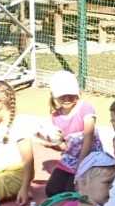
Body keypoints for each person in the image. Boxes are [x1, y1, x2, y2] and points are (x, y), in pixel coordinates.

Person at [34, 70, 102, 198]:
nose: (67, 99)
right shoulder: (56, 116)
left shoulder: (85, 108)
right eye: (62, 95)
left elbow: (88, 136)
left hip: (90, 158)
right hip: (70, 159)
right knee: (52, 191)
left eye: (70, 94)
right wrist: (50, 143)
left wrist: (82, 163)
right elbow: (65, 146)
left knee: (74, 192)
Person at [0, 80, 36, 205]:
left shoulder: (19, 125)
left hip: (16, 175)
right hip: (0, 171)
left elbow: (28, 160)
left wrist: (25, 187)